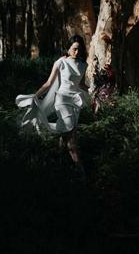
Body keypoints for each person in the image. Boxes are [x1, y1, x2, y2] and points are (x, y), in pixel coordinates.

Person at [15, 35, 89, 176]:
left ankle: (58, 162)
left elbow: (81, 84)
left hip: (75, 103)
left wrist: (94, 90)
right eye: (74, 49)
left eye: (79, 49)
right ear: (68, 48)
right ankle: (80, 171)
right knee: (72, 137)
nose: (77, 52)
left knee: (66, 133)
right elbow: (49, 83)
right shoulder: (61, 62)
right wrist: (35, 96)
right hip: (61, 100)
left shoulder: (83, 65)